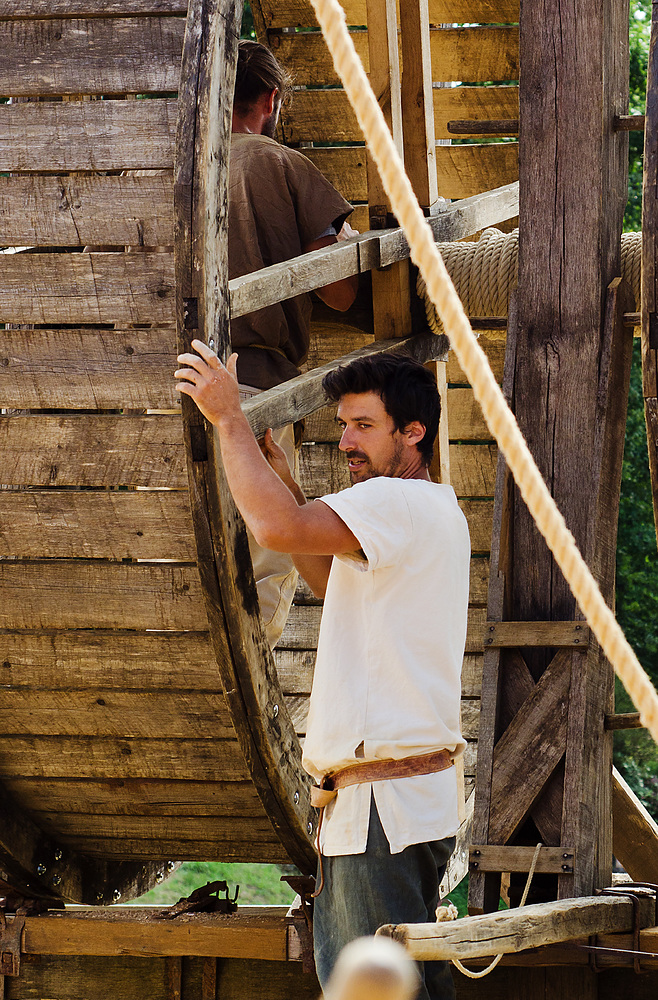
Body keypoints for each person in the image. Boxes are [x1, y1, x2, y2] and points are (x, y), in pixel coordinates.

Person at [174, 345, 470, 1000]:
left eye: (364, 425)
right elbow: (332, 581)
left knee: (370, 993)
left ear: (413, 431)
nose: (346, 442)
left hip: (380, 812)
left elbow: (276, 528)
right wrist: (289, 485)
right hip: (394, 805)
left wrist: (228, 419)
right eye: (343, 425)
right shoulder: (429, 510)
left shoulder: (394, 501)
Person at [229, 40, 358, 648]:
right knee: (264, 562)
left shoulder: (171, 165)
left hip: (172, 387)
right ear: (271, 99)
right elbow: (339, 292)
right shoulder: (276, 162)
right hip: (257, 391)